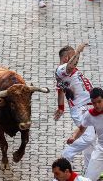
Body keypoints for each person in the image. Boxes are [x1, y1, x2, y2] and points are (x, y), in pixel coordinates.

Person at [54, 43, 96, 172]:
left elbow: (60, 90)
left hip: (88, 106)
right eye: (74, 56)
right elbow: (70, 66)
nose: (77, 59)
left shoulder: (67, 73)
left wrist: (61, 107)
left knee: (92, 143)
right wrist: (78, 51)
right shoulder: (61, 69)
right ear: (66, 58)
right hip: (80, 109)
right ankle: (67, 155)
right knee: (89, 137)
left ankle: (90, 171)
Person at [67, 87, 103, 181]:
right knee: (88, 178)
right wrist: (74, 137)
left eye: (99, 101)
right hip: (101, 150)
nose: (97, 105)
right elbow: (81, 129)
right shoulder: (90, 115)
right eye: (94, 103)